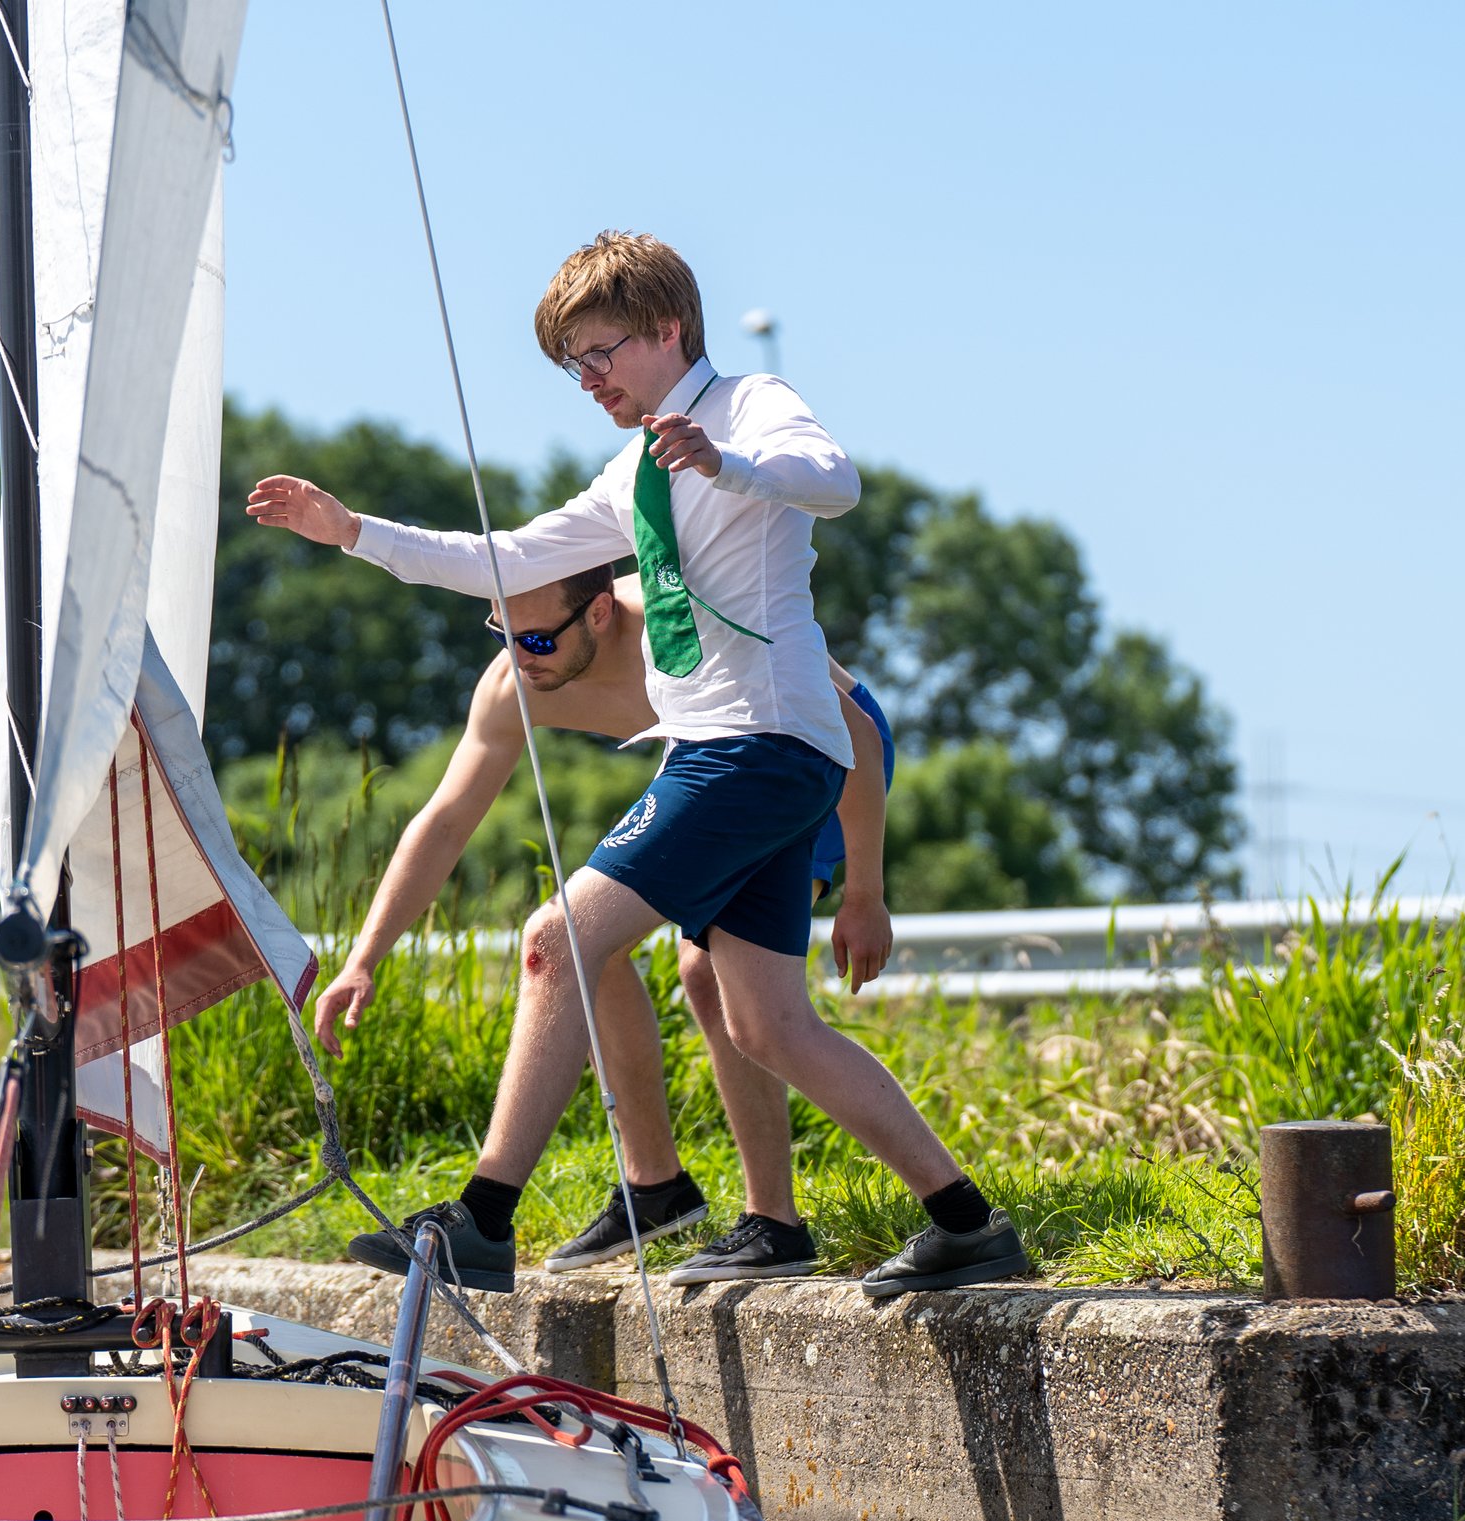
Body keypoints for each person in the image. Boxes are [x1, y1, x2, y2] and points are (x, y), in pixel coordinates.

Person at [247, 230, 1026, 1297]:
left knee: (554, 939)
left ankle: (483, 1218)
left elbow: (835, 481)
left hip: (756, 747)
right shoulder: (627, 473)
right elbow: (504, 558)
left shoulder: (747, 406)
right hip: (737, 751)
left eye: (600, 352)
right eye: (572, 366)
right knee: (766, 1021)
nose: (589, 380)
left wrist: (728, 464)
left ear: (668, 329)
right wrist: (352, 531)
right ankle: (968, 1225)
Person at [305, 565, 896, 1286]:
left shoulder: (685, 620)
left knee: (705, 970)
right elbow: (446, 820)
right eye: (502, 634)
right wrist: (365, 957)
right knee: (593, 938)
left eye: (535, 640)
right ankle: (656, 1188)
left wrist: (866, 892)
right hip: (700, 751)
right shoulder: (513, 683)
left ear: (600, 613)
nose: (519, 658)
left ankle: (773, 1219)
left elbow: (854, 730)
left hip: (811, 748)